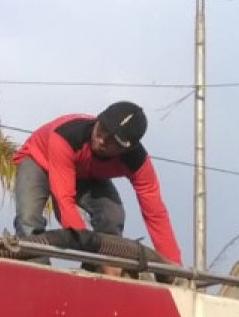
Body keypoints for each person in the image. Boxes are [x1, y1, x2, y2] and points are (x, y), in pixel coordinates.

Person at [12, 101, 183, 265]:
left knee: (112, 215)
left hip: (86, 174)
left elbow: (155, 214)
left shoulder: (138, 163)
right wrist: (84, 243)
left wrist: (173, 265)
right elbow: (63, 199)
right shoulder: (66, 136)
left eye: (112, 141)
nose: (101, 140)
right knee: (28, 220)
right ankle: (40, 274)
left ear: (126, 149)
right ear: (98, 120)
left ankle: (102, 271)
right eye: (102, 129)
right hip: (40, 161)